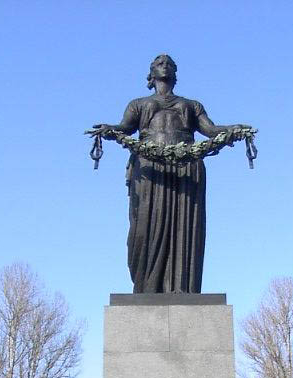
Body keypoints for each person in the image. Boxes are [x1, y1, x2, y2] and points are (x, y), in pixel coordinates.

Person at [92, 54, 249, 293]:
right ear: (151, 73)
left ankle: (182, 288)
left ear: (176, 73)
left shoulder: (192, 105)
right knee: (143, 228)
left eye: (169, 64)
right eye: (159, 63)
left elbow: (211, 130)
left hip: (186, 166)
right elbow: (124, 127)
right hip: (149, 167)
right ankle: (146, 288)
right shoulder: (138, 104)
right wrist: (109, 129)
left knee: (183, 227)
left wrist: (233, 129)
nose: (164, 65)